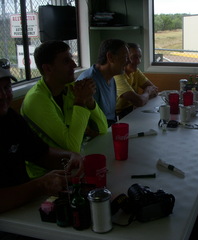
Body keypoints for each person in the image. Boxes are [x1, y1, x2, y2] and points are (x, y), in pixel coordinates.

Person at [0, 59, 83, 214]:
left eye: (6, 87)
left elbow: (41, 153)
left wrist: (72, 157)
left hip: (25, 208)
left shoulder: (10, 119)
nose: (2, 96)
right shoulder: (37, 98)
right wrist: (40, 185)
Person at [21, 41, 108, 178]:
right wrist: (80, 101)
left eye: (72, 59)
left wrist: (89, 100)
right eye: (66, 61)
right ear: (48, 69)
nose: (74, 65)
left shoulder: (68, 89)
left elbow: (103, 128)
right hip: (45, 178)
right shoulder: (36, 100)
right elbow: (71, 148)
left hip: (71, 167)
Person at [77, 39, 129, 126]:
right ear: (110, 57)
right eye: (125, 57)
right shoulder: (89, 82)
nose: (129, 62)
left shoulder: (112, 78)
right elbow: (88, 125)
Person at [114, 43, 158, 119]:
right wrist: (147, 92)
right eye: (134, 57)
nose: (139, 61)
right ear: (125, 58)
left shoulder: (135, 71)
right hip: (118, 116)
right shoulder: (118, 75)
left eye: (139, 57)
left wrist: (141, 98)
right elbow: (139, 101)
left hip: (132, 110)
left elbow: (154, 89)